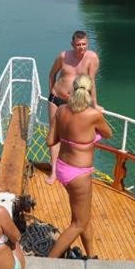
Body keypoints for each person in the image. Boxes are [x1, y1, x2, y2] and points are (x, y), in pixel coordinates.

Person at [46, 74, 112, 259]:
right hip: (79, 174)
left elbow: (50, 140)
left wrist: (68, 138)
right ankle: (48, 261)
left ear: (72, 89)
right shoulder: (93, 115)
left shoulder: (61, 110)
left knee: (82, 217)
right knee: (78, 223)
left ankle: (91, 256)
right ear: (90, 93)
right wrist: (91, 135)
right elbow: (108, 134)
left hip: (62, 168)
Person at [46, 31, 101, 184]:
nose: (81, 48)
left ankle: (74, 170)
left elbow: (91, 82)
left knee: (74, 136)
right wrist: (51, 92)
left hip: (75, 103)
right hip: (55, 99)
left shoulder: (92, 58)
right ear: (72, 44)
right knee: (54, 134)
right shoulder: (63, 56)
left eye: (84, 44)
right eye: (78, 45)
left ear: (87, 44)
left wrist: (95, 104)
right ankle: (53, 172)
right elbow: (52, 74)